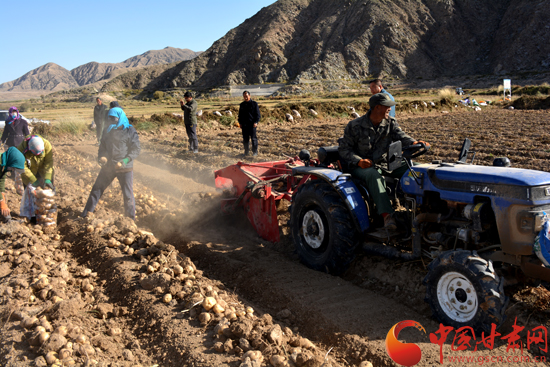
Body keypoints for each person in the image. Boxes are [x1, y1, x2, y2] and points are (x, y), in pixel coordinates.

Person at [339, 93, 430, 230]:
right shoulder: (355, 126)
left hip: (387, 163)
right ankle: (388, 216)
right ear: (377, 108)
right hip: (362, 167)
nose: (389, 109)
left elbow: (402, 136)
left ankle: (424, 209)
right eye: (387, 106)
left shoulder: (390, 122)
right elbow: (344, 150)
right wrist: (359, 161)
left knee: (419, 170)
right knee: (374, 176)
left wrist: (414, 142)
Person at [82, 102, 140, 220]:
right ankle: (85, 215)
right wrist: (102, 157)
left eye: (114, 119)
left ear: (120, 117)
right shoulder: (107, 130)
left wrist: (124, 160)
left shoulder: (129, 130)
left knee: (127, 195)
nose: (112, 122)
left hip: (124, 167)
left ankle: (130, 220)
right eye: (110, 119)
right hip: (109, 167)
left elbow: (136, 149)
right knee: (96, 189)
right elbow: (102, 147)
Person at [0, 147, 26, 223]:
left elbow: (1, 180)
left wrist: (2, 195)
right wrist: (1, 202)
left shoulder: (4, 165)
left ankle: (7, 220)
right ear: (11, 161)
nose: (12, 170)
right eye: (13, 168)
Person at [237, 91, 261, 156]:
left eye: (246, 96)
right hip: (244, 125)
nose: (245, 97)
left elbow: (258, 115)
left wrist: (256, 122)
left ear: (249, 96)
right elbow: (240, 115)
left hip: (252, 124)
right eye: (244, 96)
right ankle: (246, 152)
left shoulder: (254, 104)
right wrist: (240, 123)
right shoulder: (242, 105)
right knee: (245, 139)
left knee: (253, 139)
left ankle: (255, 152)